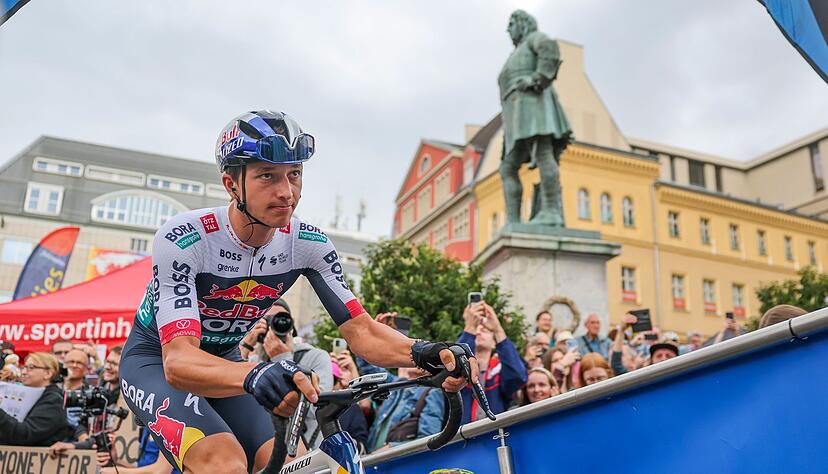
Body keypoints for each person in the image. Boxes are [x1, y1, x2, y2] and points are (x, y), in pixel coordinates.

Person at [118, 110, 478, 474]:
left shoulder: (308, 244)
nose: (286, 192)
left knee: (296, 466)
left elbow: (364, 333)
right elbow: (178, 363)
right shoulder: (186, 238)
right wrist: (256, 372)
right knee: (224, 463)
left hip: (227, 360)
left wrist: (425, 352)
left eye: (295, 175)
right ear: (231, 185)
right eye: (267, 176)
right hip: (154, 362)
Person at [457, 302, 527, 423]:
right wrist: (469, 328)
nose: (478, 331)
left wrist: (498, 329)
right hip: (463, 436)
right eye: (476, 329)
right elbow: (453, 367)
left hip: (495, 436)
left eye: (484, 329)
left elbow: (518, 377)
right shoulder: (463, 369)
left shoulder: (499, 370)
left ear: (494, 343)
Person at [0, 352, 68, 446]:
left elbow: (25, 435)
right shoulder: (31, 395)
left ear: (48, 373)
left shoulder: (53, 401)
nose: (23, 372)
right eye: (24, 367)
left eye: (31, 368)